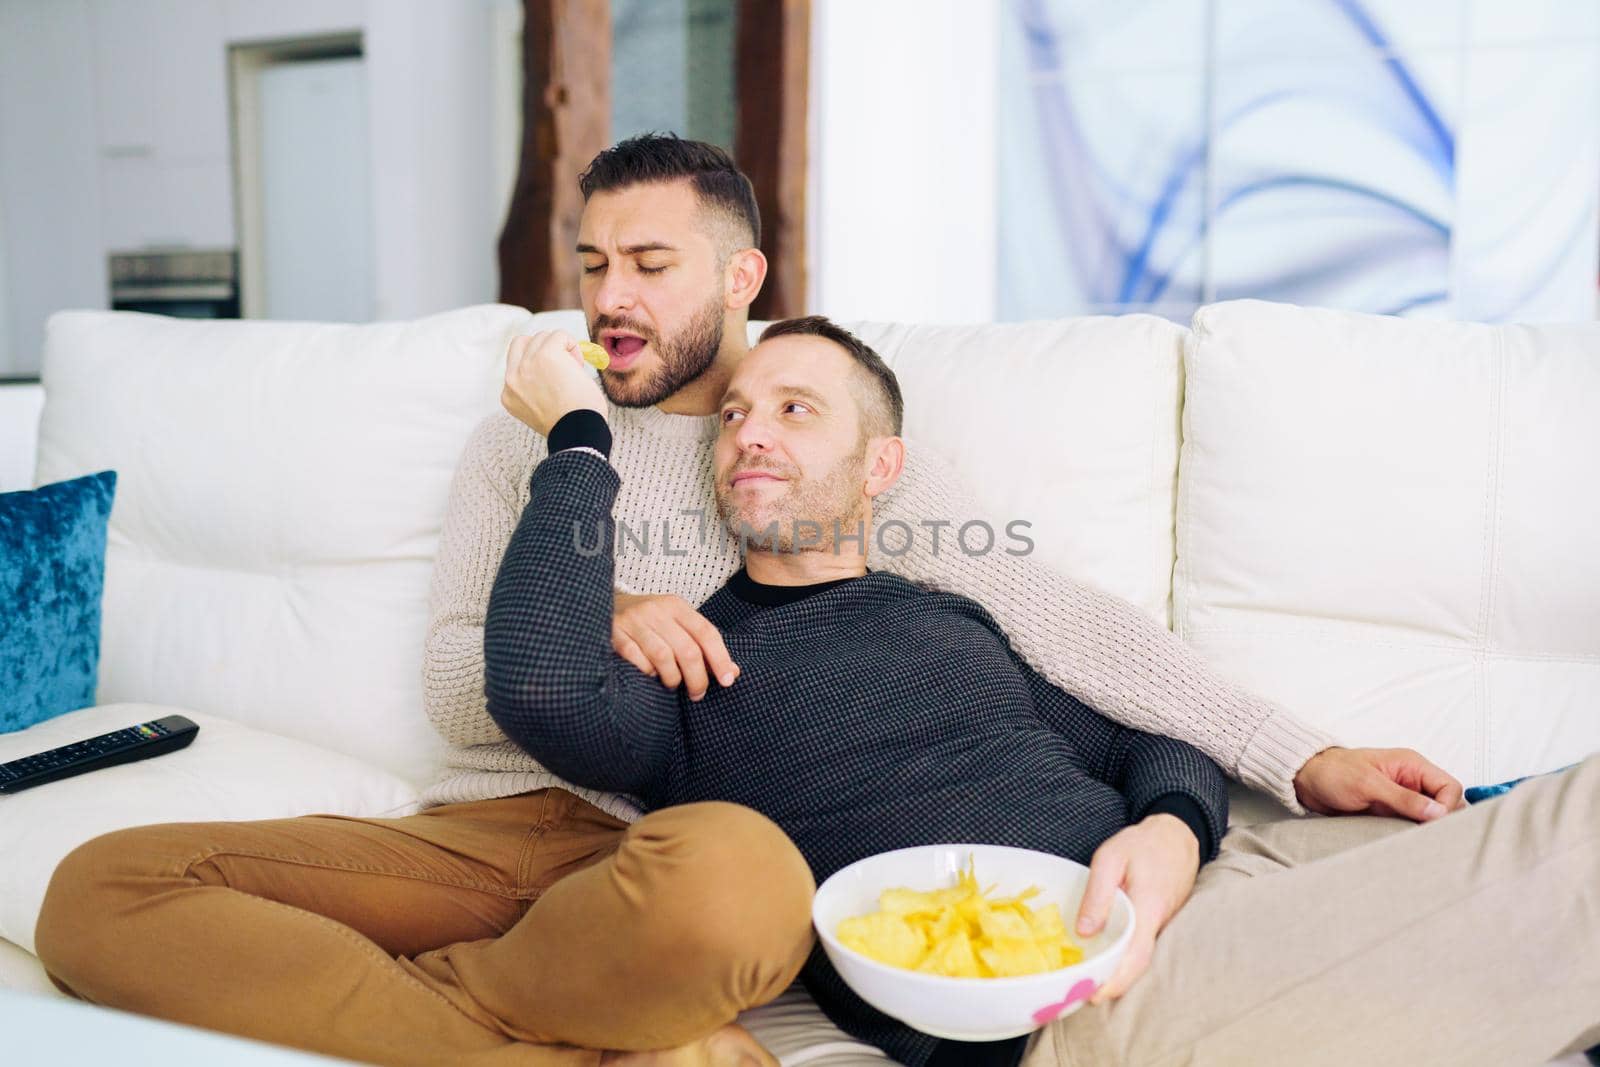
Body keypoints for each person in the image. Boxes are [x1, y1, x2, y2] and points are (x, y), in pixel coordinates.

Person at [30, 133, 1466, 1067]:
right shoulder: (531, 433)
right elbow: (473, 689)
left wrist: (1296, 754)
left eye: (651, 265)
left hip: (719, 845)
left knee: (726, 870)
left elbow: (1075, 632)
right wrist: (596, 583)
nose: (612, 299)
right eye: (591, 264)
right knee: (98, 891)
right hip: (530, 813)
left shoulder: (812, 443)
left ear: (743, 275)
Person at [493, 312, 1600, 1067]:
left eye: (795, 409)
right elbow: (536, 686)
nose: (748, 435)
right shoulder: (693, 665)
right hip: (1083, 1003)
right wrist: (580, 435)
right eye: (734, 412)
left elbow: (1147, 740)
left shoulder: (947, 613)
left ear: (881, 469)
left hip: (1224, 869)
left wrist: (1171, 828)